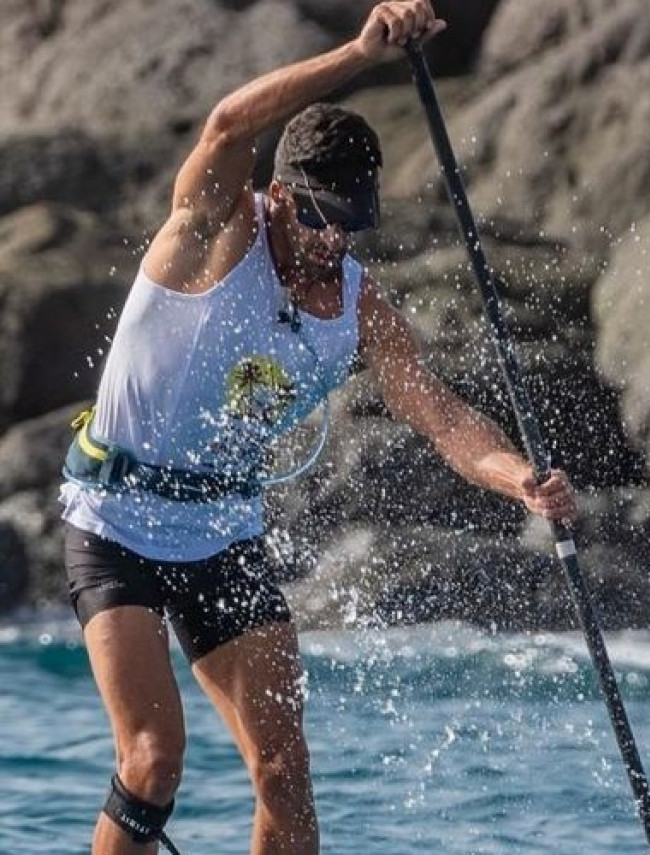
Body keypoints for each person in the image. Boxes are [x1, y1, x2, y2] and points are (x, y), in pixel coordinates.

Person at [60, 2, 577, 853]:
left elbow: (440, 414)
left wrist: (519, 476)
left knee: (285, 773)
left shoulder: (359, 307)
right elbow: (229, 121)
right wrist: (360, 52)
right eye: (316, 215)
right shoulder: (213, 233)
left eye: (350, 223)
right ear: (277, 195)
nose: (330, 238)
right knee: (154, 760)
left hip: (224, 532)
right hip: (116, 520)